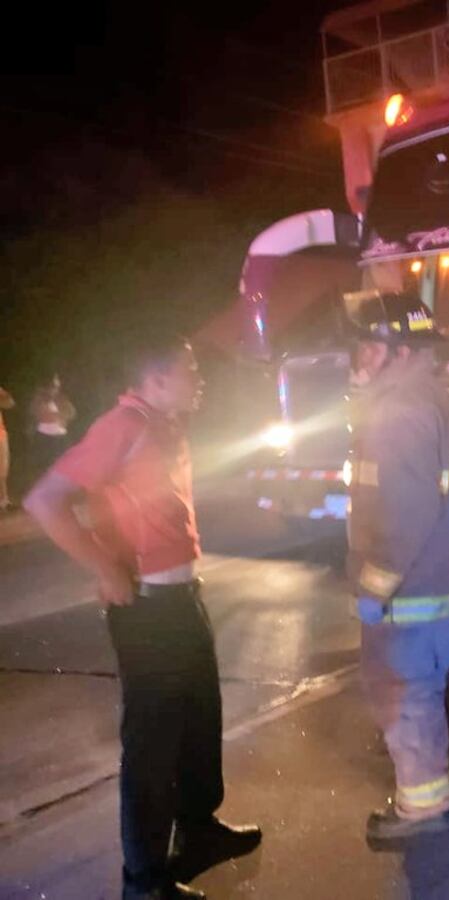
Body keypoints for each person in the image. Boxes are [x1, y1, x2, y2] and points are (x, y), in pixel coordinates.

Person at [23, 335, 260, 900]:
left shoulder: (165, 425)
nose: (200, 378)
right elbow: (44, 501)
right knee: (153, 747)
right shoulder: (121, 426)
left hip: (182, 601)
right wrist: (104, 568)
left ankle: (196, 832)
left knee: (200, 723)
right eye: (190, 369)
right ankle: (145, 880)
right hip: (148, 611)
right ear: (154, 380)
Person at [344, 292, 449, 842]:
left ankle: (423, 806)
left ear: (400, 351)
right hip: (441, 582)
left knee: (406, 690)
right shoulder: (434, 399)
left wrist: (375, 585)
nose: (361, 359)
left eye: (371, 347)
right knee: (444, 681)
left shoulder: (398, 412)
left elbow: (402, 514)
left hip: (408, 590)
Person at [29, 373, 76, 476]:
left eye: (57, 386)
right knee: (44, 469)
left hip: (60, 437)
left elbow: (71, 412)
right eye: (53, 386)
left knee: (64, 466)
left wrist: (60, 415)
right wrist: (58, 415)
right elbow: (41, 414)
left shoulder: (60, 398)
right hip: (45, 438)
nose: (56, 388)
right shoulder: (39, 398)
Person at [0, 385, 14, 511]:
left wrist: (4, 396)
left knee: (3, 469)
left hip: (1, 433)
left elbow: (10, 403)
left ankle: (4, 500)